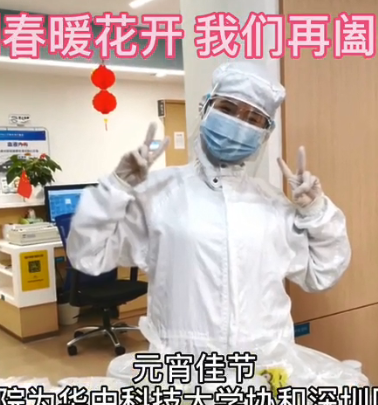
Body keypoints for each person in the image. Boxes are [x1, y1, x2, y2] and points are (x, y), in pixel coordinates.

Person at [67, 61, 351, 362]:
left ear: (264, 133)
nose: (239, 123)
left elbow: (322, 274)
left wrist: (317, 212)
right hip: (183, 367)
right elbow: (87, 255)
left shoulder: (273, 203)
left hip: (264, 366)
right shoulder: (160, 193)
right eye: (228, 109)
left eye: (253, 118)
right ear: (205, 109)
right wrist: (115, 188)